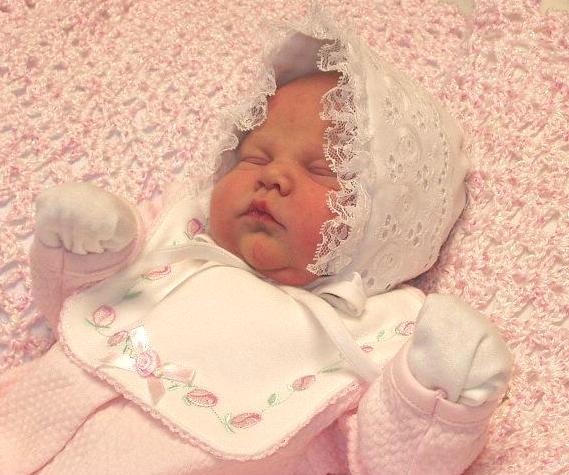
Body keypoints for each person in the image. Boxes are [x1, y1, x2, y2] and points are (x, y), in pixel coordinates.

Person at [0, 9, 512, 475]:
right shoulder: (182, 233)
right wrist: (85, 244)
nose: (273, 177)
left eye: (320, 170)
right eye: (255, 157)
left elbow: (387, 460)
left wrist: (435, 396)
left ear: (387, 223)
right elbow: (76, 306)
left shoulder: (379, 330)